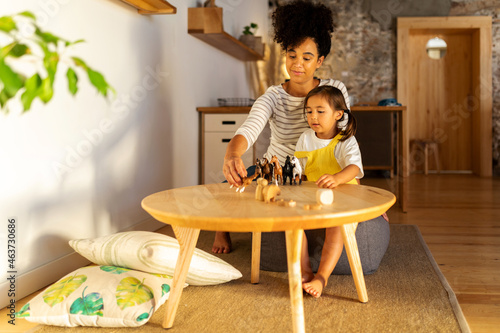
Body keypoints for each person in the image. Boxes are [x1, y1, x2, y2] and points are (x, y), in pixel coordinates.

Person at [213, 0, 350, 254]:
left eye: (307, 57)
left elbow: (345, 140)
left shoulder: (335, 92)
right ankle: (222, 227)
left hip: (319, 169)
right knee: (227, 187)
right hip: (276, 170)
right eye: (291, 55)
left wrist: (359, 191)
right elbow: (249, 128)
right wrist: (232, 154)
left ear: (319, 61)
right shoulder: (273, 96)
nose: (297, 64)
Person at [294, 85, 362, 298]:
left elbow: (355, 168)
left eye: (320, 111)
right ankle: (304, 270)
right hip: (315, 196)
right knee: (292, 225)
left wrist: (336, 178)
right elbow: (298, 166)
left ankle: (321, 277)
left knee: (336, 228)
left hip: (344, 198)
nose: (313, 116)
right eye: (309, 111)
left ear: (338, 114)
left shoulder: (345, 140)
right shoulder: (305, 137)